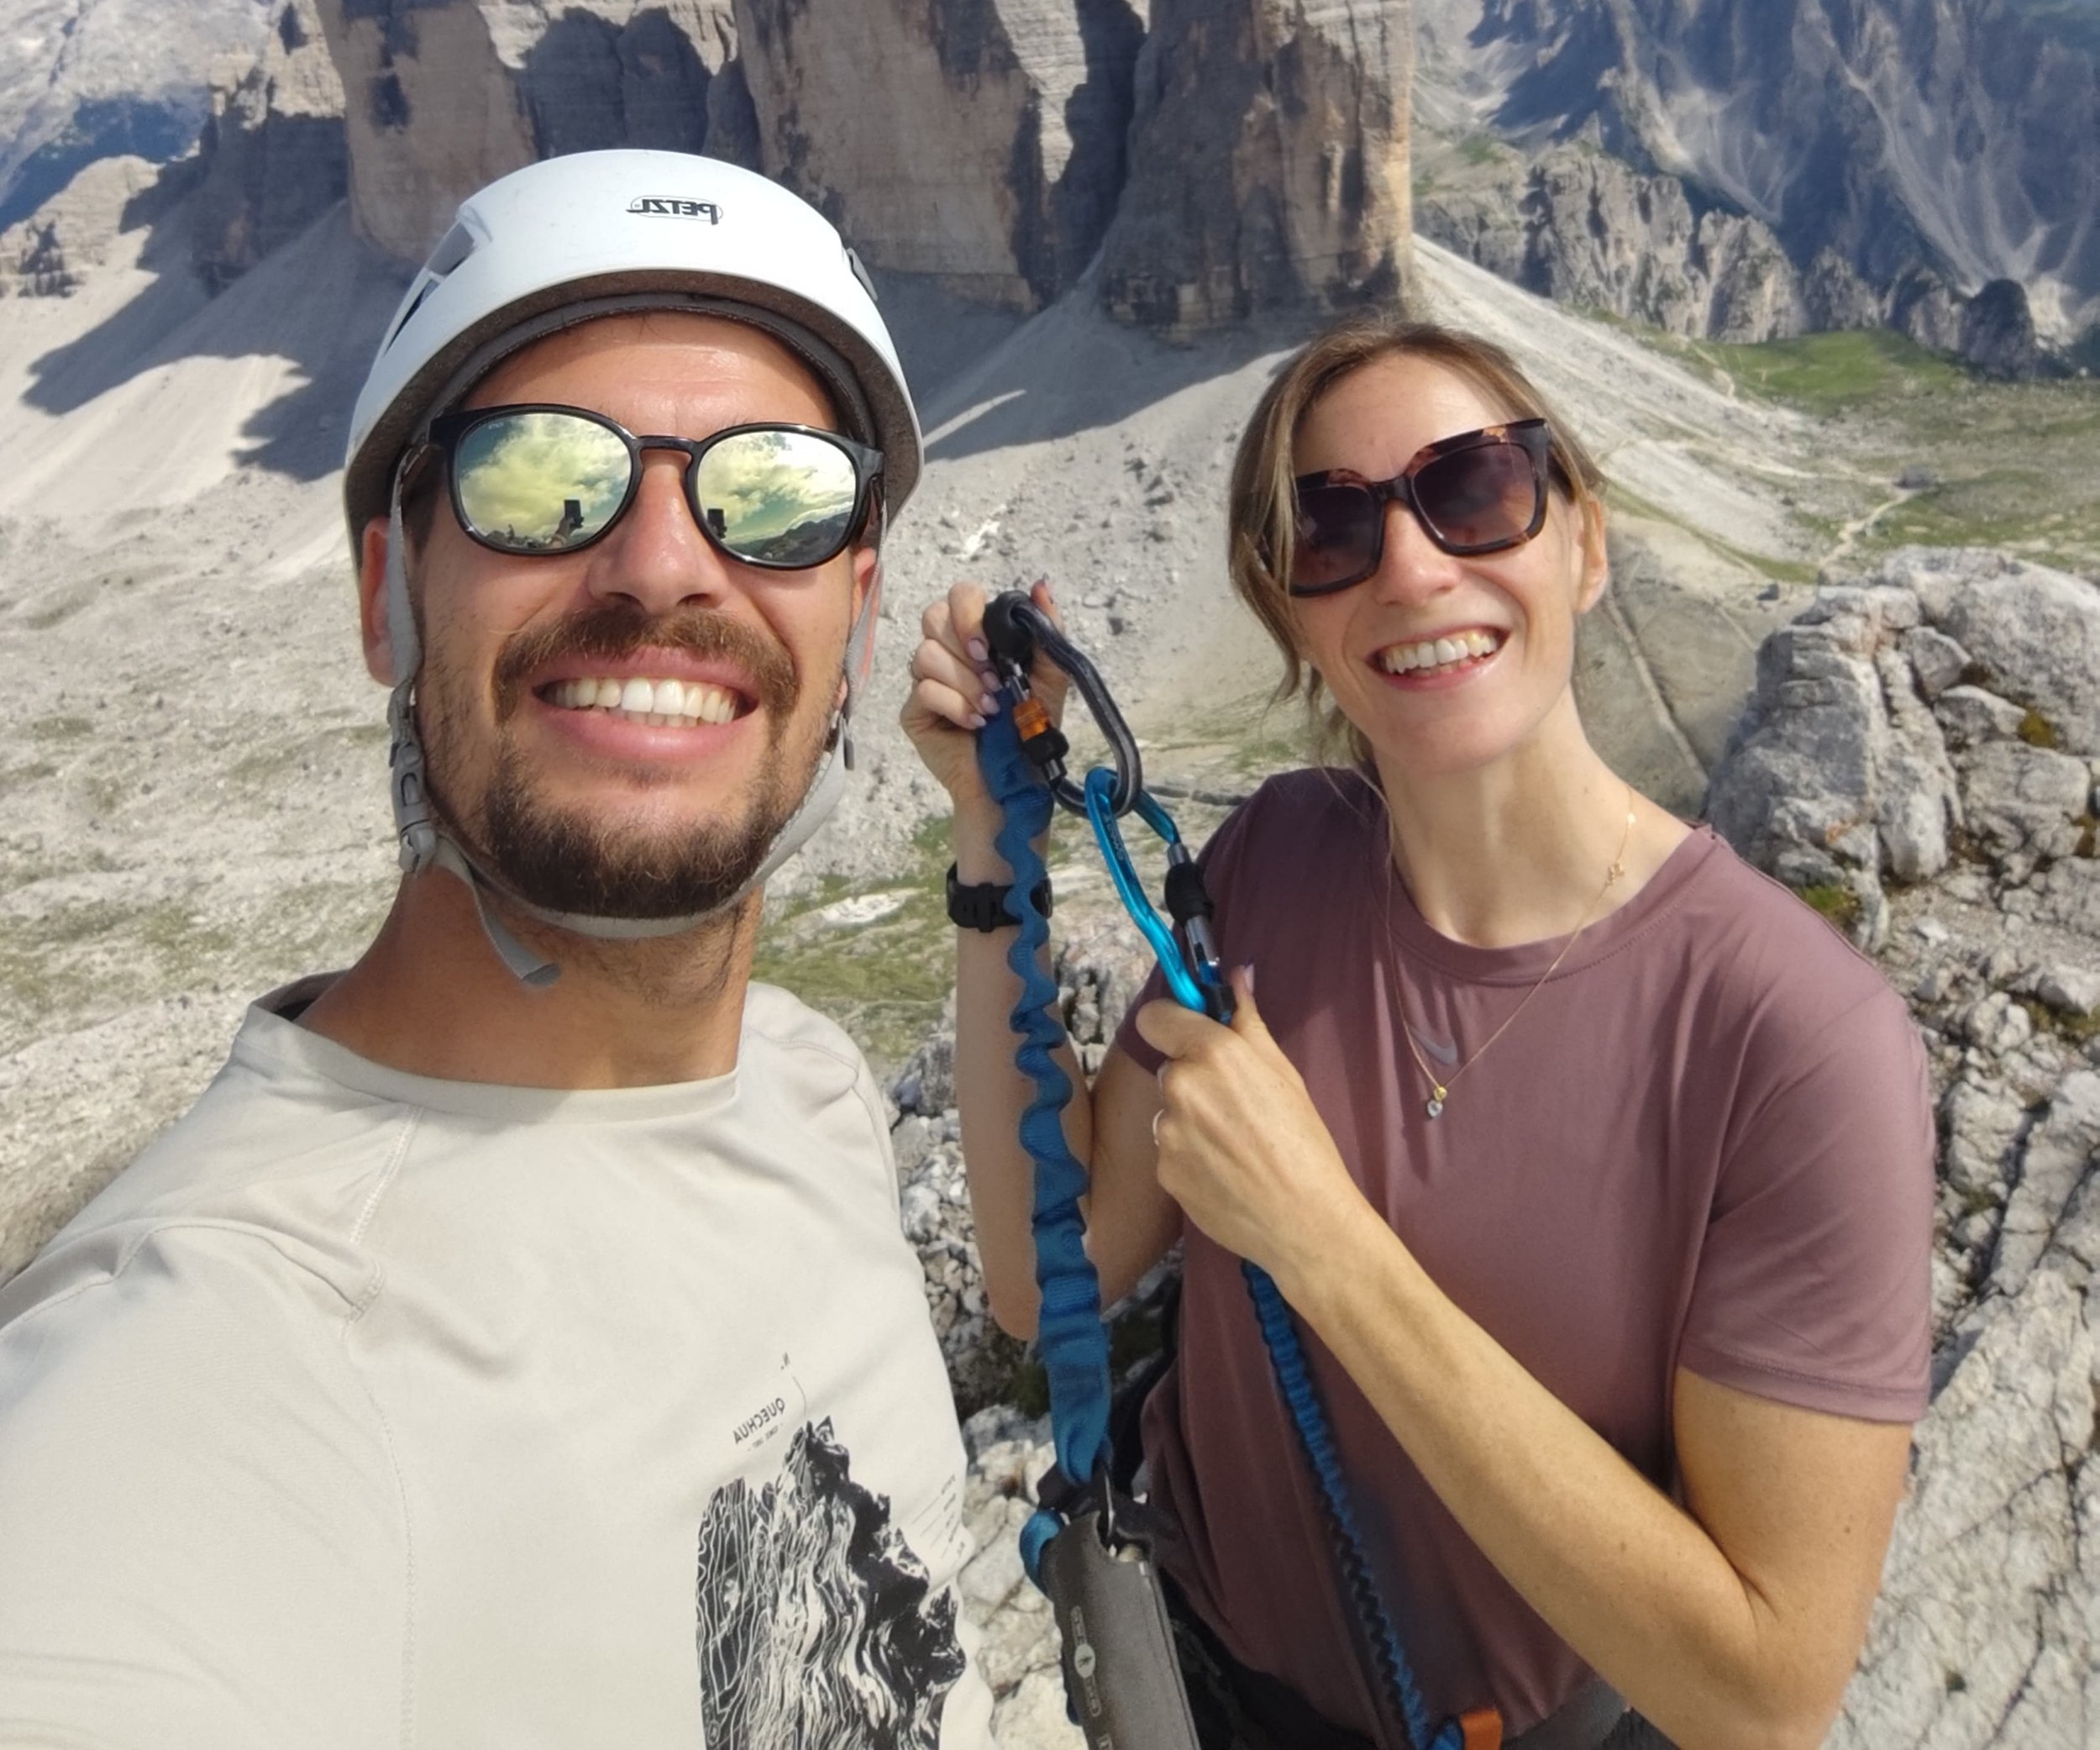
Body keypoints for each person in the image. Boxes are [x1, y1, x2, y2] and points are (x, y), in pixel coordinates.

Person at [0, 149, 993, 1750]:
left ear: (858, 618)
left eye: (778, 492)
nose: (665, 564)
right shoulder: (209, 1357)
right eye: (540, 476)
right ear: (389, 592)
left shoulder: (807, 1082)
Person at [906, 315, 1933, 1750]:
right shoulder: (1271, 862)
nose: (1407, 565)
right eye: (1330, 526)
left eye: (1473, 489)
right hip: (1194, 1700)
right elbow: (1036, 1280)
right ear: (1297, 617)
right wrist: (987, 836)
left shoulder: (1795, 1037)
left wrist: (1324, 1245)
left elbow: (1765, 1694)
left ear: (1584, 539)